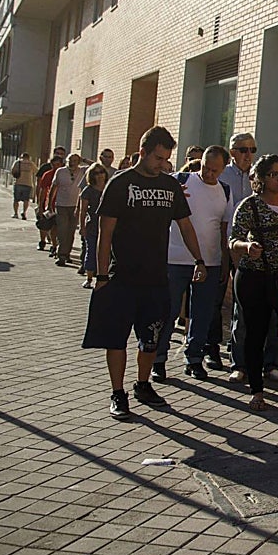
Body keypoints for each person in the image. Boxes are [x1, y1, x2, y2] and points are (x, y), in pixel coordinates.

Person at [82, 126, 206, 419]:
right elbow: (105, 233)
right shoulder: (120, 183)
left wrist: (199, 259)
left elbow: (185, 226)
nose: (163, 165)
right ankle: (117, 392)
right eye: (158, 158)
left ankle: (142, 383)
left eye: (166, 159)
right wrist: (100, 276)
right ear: (143, 152)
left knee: (150, 339)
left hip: (155, 279)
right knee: (116, 339)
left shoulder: (170, 186)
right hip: (120, 277)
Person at [153, 146, 234, 381]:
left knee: (202, 312)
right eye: (205, 167)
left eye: (214, 170)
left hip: (210, 261)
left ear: (222, 169)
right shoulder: (181, 181)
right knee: (168, 310)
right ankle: (158, 359)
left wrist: (225, 263)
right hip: (175, 258)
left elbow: (223, 230)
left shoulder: (224, 191)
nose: (208, 173)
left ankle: (194, 358)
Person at [227, 154, 278, 412]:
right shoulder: (249, 206)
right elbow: (233, 239)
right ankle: (256, 390)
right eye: (274, 174)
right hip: (254, 277)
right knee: (255, 333)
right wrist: (247, 246)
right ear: (262, 178)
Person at [222, 132, 278, 381]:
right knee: (243, 314)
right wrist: (242, 248)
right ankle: (240, 364)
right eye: (243, 149)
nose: (248, 154)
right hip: (238, 252)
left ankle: (271, 364)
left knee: (273, 316)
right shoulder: (224, 176)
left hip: (275, 267)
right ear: (232, 151)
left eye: (252, 149)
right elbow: (231, 228)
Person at [52, 154, 88, 267]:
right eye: (71, 160)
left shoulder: (82, 171)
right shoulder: (60, 171)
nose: (73, 162)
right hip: (61, 205)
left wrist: (84, 160)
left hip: (75, 206)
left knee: (71, 232)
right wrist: (49, 204)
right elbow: (54, 187)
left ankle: (66, 253)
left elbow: (96, 165)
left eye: (76, 160)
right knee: (62, 231)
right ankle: (61, 255)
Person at [77, 164, 109, 288]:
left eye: (102, 172)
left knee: (106, 251)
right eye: (96, 173)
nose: (100, 175)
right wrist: (82, 226)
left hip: (107, 224)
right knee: (91, 251)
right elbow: (83, 210)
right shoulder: (88, 190)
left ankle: (103, 277)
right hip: (93, 224)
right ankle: (89, 277)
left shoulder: (109, 188)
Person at [36, 155, 64, 254]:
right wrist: (40, 206)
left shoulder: (64, 174)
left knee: (55, 228)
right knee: (44, 224)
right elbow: (43, 190)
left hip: (60, 204)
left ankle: (54, 246)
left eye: (58, 164)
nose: (56, 167)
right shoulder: (47, 175)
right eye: (54, 165)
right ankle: (42, 241)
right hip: (48, 204)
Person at [12, 152, 36, 219]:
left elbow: (12, 171)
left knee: (16, 200)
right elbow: (36, 171)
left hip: (18, 183)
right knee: (26, 199)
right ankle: (24, 212)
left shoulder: (17, 162)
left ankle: (16, 213)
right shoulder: (31, 163)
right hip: (28, 183)